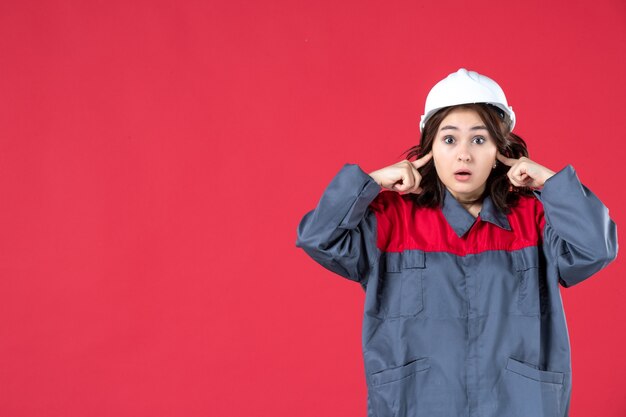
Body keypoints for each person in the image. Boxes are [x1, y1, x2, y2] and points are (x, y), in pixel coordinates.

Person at [295, 68, 618, 417]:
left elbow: (596, 248)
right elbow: (318, 238)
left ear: (500, 149)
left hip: (517, 405)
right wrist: (370, 183)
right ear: (430, 148)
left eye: (479, 140)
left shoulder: (534, 219)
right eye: (449, 140)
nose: (464, 154)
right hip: (417, 404)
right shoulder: (392, 219)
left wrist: (552, 183)